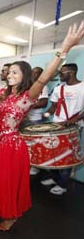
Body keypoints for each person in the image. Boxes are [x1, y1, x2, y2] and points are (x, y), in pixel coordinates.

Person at [0, 21, 84, 231]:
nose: (10, 75)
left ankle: (10, 217)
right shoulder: (3, 94)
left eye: (16, 72)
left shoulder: (27, 96)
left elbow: (45, 76)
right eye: (9, 72)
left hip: (13, 147)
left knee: (6, 183)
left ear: (24, 76)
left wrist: (65, 48)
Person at [40, 63, 84, 195]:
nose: (60, 75)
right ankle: (55, 178)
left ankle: (63, 184)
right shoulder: (59, 89)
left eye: (62, 72)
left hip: (74, 128)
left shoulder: (82, 87)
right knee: (54, 155)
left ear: (72, 72)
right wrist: (46, 115)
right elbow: (53, 107)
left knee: (67, 157)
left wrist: (74, 120)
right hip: (57, 125)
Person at [22, 67, 49, 176]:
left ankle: (35, 167)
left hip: (35, 121)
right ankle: (26, 164)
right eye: (32, 72)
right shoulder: (27, 87)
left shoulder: (43, 87)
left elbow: (43, 102)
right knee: (25, 145)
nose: (33, 74)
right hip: (24, 119)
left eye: (36, 73)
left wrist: (27, 106)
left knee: (35, 145)